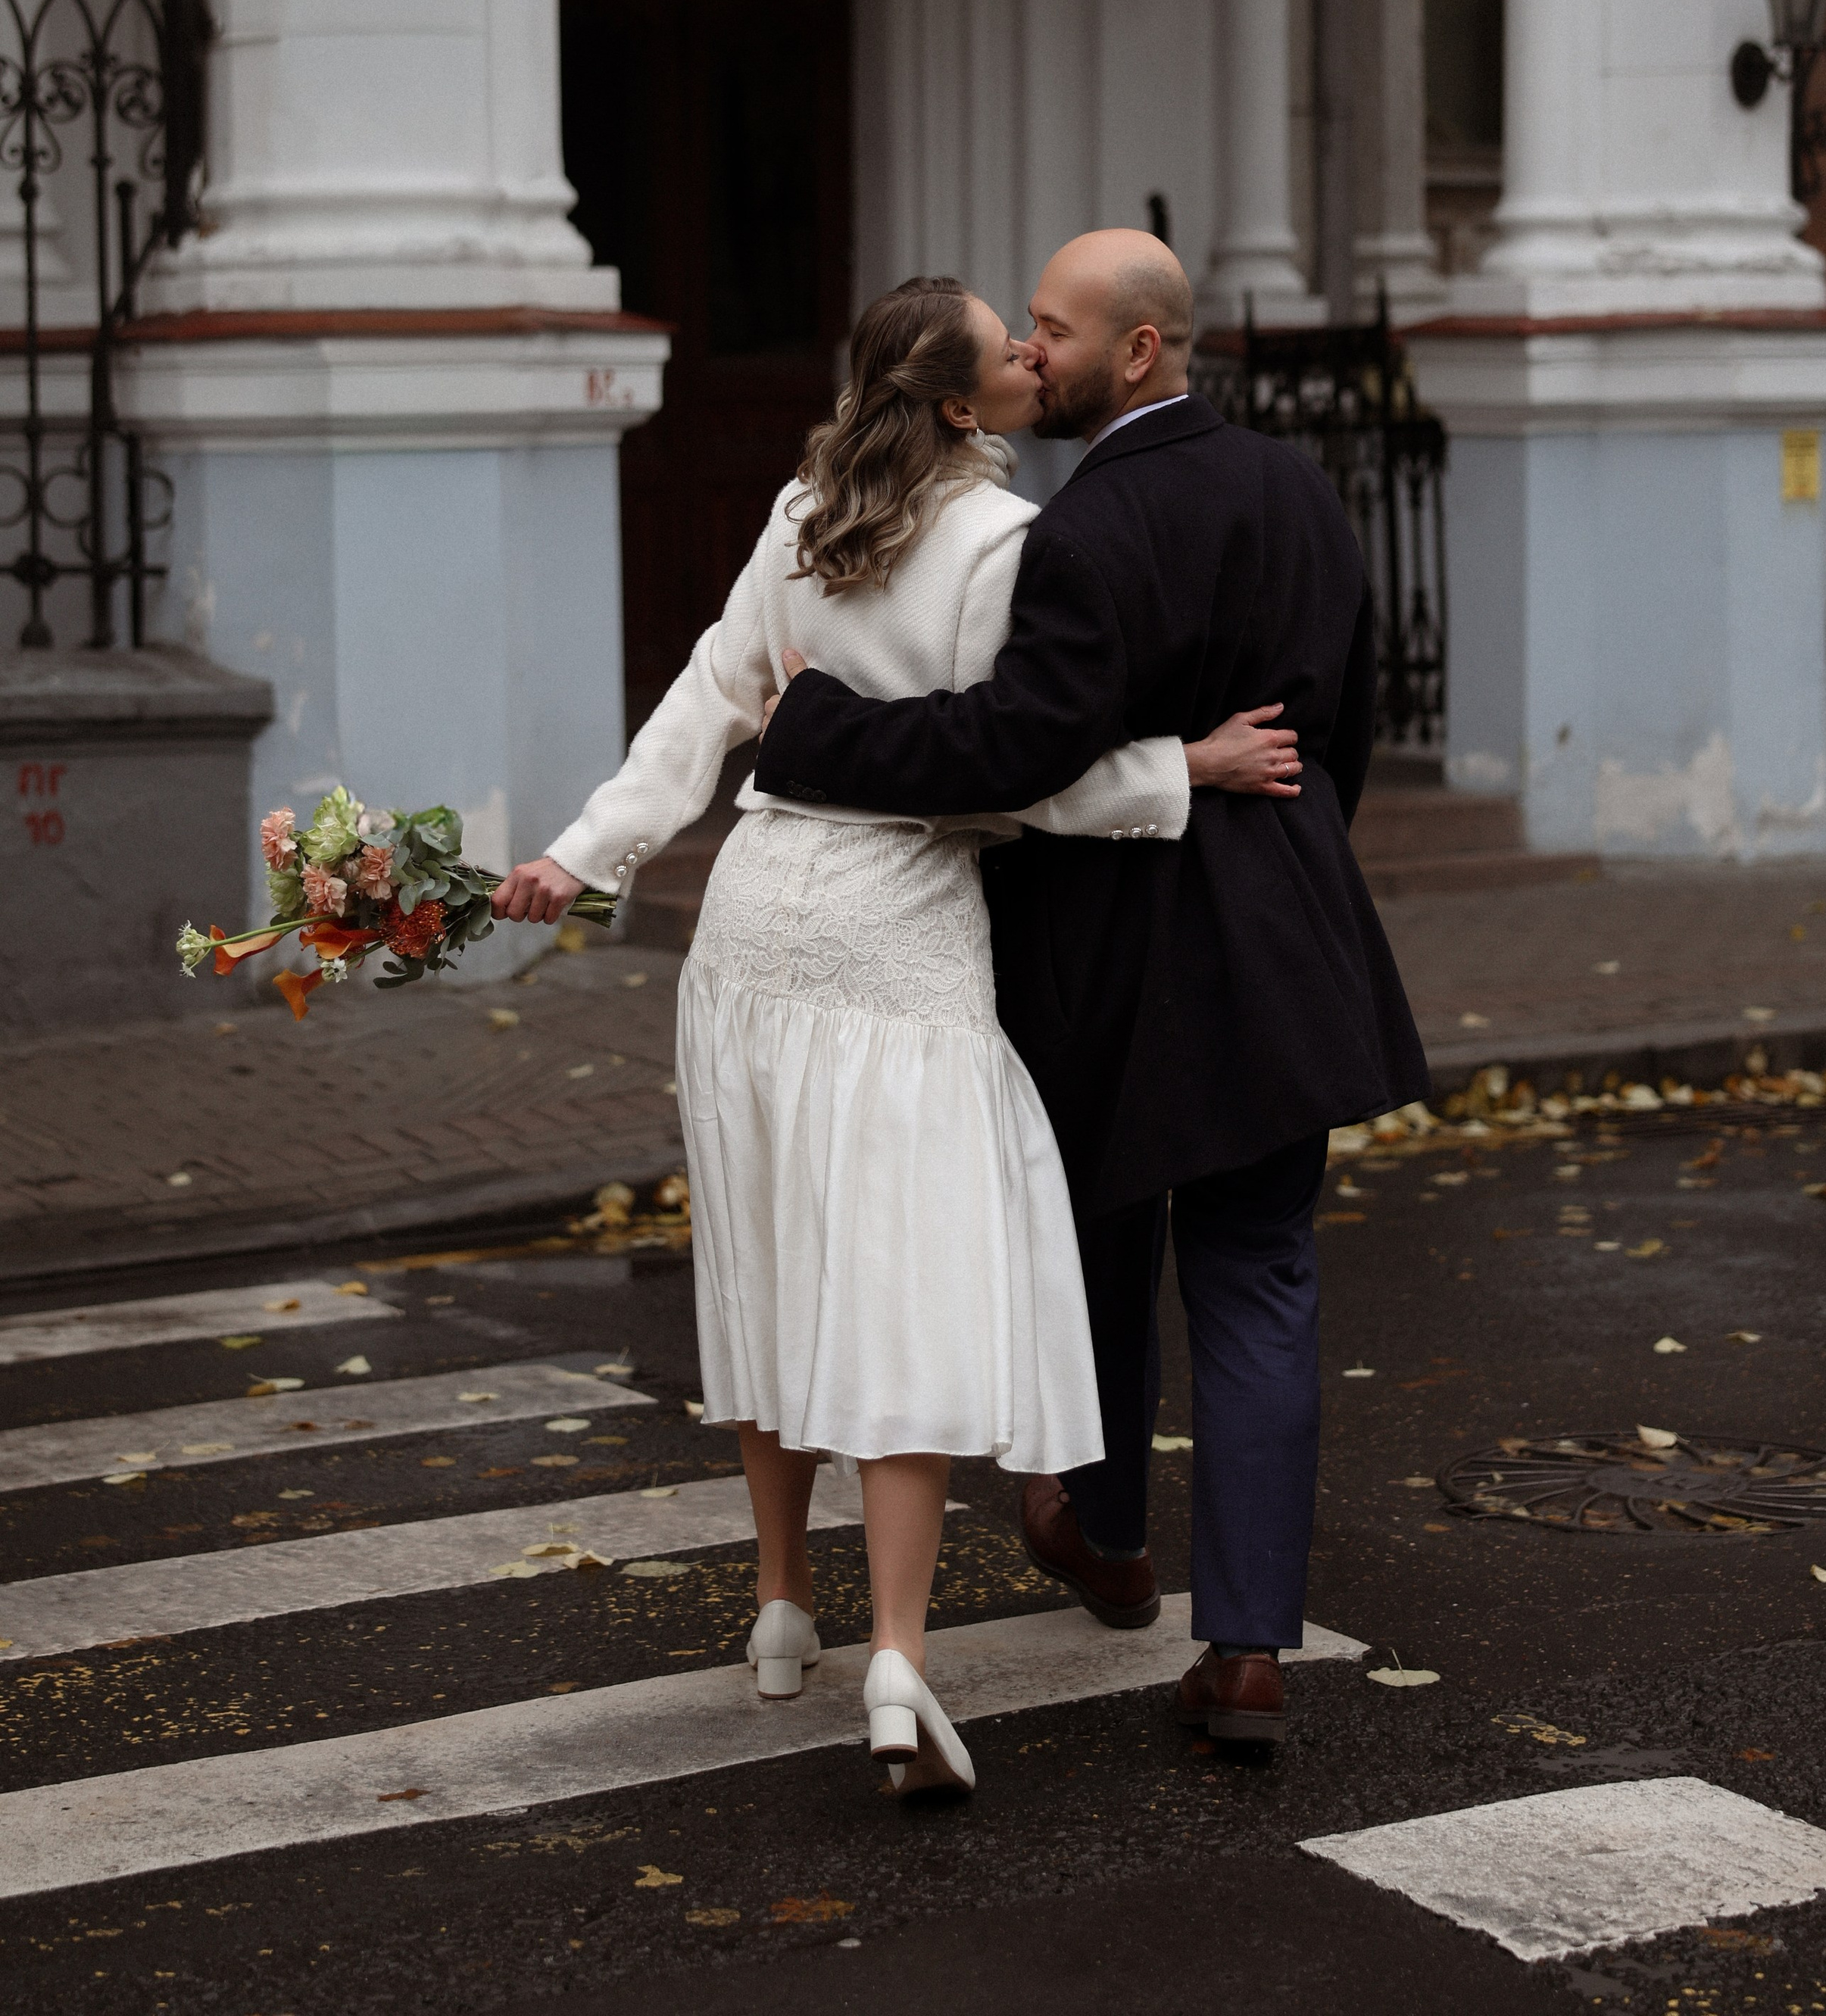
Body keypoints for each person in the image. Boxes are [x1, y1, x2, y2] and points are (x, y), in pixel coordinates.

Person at [492, 275, 1299, 1798]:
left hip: (744, 927)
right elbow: (1013, 775)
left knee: (769, 1259)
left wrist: (581, 852)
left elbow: (703, 704)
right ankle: (898, 1662)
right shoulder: (1005, 542)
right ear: (954, 404)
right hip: (890, 938)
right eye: (1007, 344)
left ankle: (782, 1607)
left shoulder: (802, 512)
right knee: (893, 1290)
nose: (1027, 354)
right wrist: (1179, 769)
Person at [756, 230, 1430, 1748]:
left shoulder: (1073, 534)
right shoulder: (1297, 489)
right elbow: (1355, 723)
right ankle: (1245, 1648)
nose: (1029, 355)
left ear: (1136, 350)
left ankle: (1109, 1527)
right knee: (1257, 1280)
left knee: (1103, 1243)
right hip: (1288, 940)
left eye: (1050, 330)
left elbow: (1009, 752)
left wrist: (811, 740)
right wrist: (1294, 871)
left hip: (1116, 957)